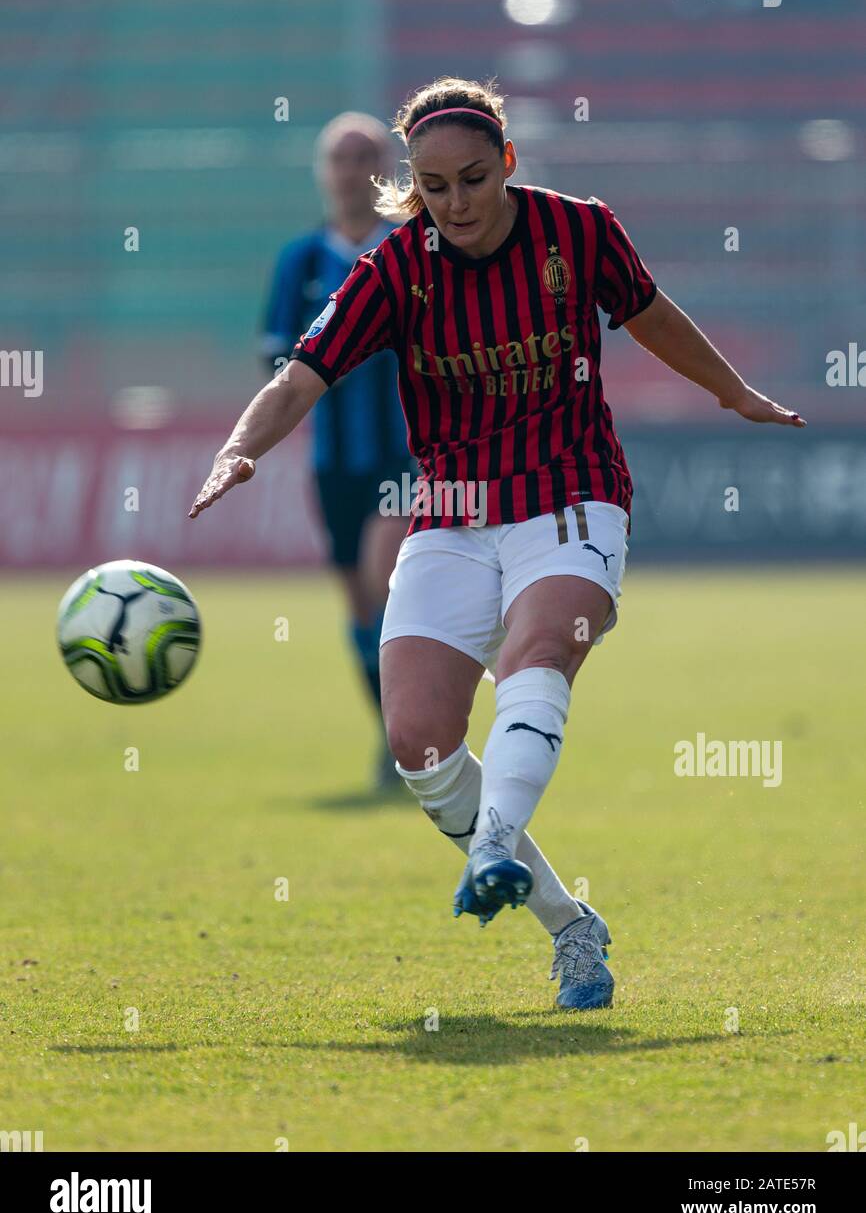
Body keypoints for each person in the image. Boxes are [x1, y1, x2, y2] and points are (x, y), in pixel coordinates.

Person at [190, 77, 805, 1011]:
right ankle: (571, 927)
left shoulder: (580, 232)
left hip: (573, 496)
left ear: (509, 162)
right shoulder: (396, 268)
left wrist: (733, 393)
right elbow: (301, 374)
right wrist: (239, 449)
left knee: (539, 652)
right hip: (450, 515)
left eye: (474, 177)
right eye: (434, 187)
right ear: (414, 188)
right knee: (420, 747)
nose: (457, 202)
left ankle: (489, 851)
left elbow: (655, 318)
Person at [258, 113, 412, 791]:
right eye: (341, 159)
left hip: (403, 455)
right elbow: (273, 354)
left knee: (383, 588)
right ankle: (394, 738)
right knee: (357, 608)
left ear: (386, 171)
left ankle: (417, 733)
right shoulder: (301, 260)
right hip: (332, 462)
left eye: (366, 157)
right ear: (324, 172)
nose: (353, 171)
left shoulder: (409, 247)